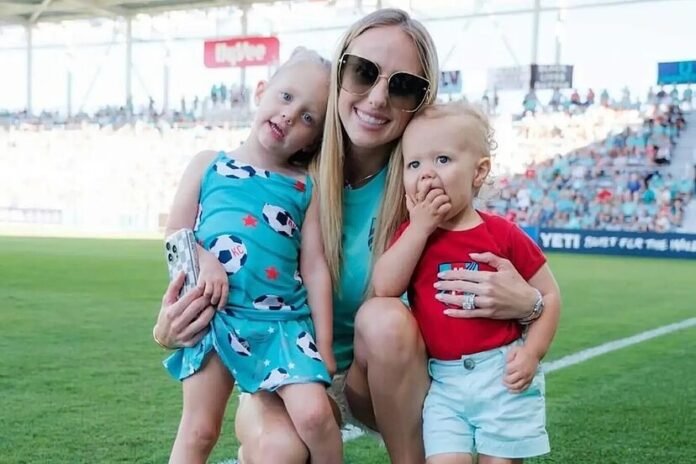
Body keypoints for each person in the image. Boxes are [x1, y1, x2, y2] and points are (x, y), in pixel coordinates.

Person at [154, 9, 548, 464]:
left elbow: (490, 269)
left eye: (402, 86)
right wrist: (169, 328)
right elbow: (202, 243)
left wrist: (531, 306)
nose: (378, 98)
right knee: (279, 449)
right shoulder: (284, 172)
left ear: (420, 101)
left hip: (385, 380)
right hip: (285, 364)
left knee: (383, 320)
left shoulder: (424, 183)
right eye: (362, 72)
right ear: (339, 73)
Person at [154, 48, 342, 464]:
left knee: (314, 415)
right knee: (199, 430)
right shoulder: (208, 165)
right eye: (287, 97)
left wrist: (323, 344)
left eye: (309, 117)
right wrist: (204, 260)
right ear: (262, 90)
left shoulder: (303, 187)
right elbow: (176, 235)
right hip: (215, 318)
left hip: (283, 326)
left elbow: (314, 267)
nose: (291, 116)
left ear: (314, 139)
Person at [373, 102, 561, 463]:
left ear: (479, 172)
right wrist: (420, 228)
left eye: (442, 160)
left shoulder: (502, 233)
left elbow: (549, 296)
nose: (426, 174)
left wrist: (533, 351)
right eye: (414, 164)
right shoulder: (412, 236)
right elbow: (385, 287)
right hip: (444, 382)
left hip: (501, 375)